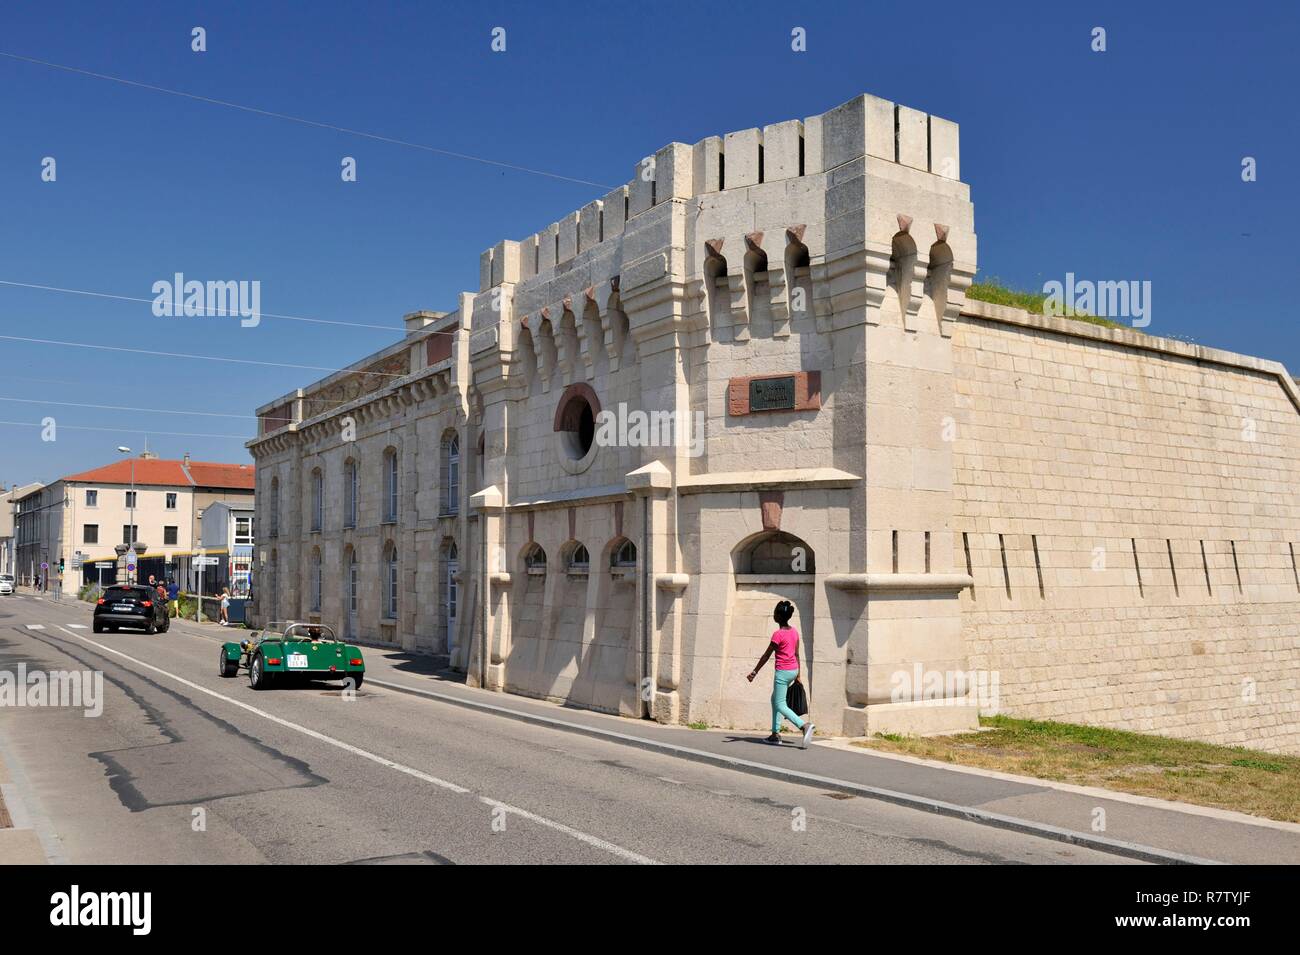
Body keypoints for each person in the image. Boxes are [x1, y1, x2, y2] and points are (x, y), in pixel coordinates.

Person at [746, 600, 815, 748]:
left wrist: (754, 672)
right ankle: (775, 734)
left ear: (778, 616)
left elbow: (766, 655)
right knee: (775, 699)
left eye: (775, 612)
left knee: (780, 704)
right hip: (793, 670)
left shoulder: (778, 635)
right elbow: (796, 654)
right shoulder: (794, 632)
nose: (774, 614)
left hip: (783, 673)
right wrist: (798, 675)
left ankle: (804, 725)